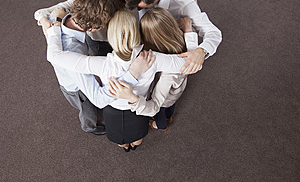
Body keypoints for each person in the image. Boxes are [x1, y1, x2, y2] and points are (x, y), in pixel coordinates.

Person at [46, 9, 199, 151]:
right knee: (138, 138)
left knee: (119, 139)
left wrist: (57, 23)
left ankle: (125, 146)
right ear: (137, 32)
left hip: (113, 110)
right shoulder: (152, 58)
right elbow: (190, 63)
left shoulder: (101, 64)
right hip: (137, 108)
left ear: (110, 35)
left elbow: (53, 56)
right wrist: (188, 32)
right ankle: (133, 145)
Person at [80, 0, 222, 75]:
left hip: (164, 44)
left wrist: (201, 51)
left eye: (140, 7)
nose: (135, 10)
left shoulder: (184, 3)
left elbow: (214, 33)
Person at [38, 0, 119, 135]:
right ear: (96, 28)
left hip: (68, 76)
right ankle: (91, 127)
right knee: (88, 110)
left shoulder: (59, 15)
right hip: (75, 88)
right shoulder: (73, 53)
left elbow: (42, 14)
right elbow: (96, 98)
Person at [109, 7, 198, 131]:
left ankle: (162, 125)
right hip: (175, 91)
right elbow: (193, 55)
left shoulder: (167, 75)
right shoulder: (183, 43)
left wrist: (133, 99)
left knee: (161, 112)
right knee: (171, 106)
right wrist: (188, 30)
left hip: (164, 99)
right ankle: (169, 117)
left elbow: (155, 106)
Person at [34, 0, 125, 56]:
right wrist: (44, 20)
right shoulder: (85, 0)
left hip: (120, 37)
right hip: (99, 40)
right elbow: (40, 12)